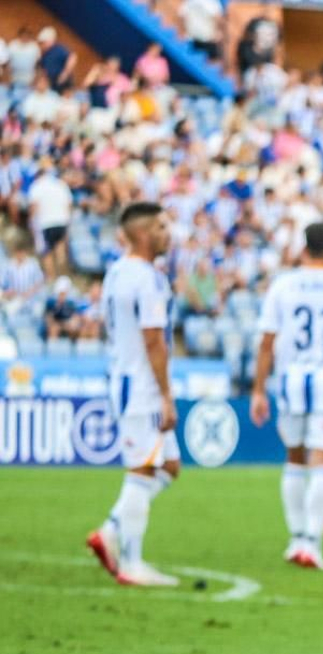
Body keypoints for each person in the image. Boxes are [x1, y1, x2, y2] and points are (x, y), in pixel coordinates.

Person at [248, 222, 323, 571]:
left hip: (291, 382)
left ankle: (296, 538)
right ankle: (313, 545)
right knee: (322, 463)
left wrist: (259, 388)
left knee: (294, 460)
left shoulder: (284, 285)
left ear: (304, 248)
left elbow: (267, 342)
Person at [86, 203, 182, 589]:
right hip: (141, 386)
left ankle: (110, 530)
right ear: (143, 234)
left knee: (169, 465)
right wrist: (166, 395)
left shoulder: (116, 273)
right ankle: (132, 562)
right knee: (142, 469)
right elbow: (153, 339)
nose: (168, 234)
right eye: (161, 227)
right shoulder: (147, 278)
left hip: (126, 377)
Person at [26, 161, 72, 278]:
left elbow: (33, 208)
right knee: (60, 251)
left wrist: (31, 225)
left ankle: (51, 279)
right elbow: (68, 204)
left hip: (45, 223)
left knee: (46, 253)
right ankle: (62, 278)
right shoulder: (60, 184)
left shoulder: (36, 187)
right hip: (61, 222)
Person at [37, 27, 73, 91]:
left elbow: (72, 57)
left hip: (62, 82)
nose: (42, 45)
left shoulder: (59, 49)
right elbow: (42, 67)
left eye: (44, 42)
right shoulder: (44, 53)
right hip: (51, 82)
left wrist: (65, 73)